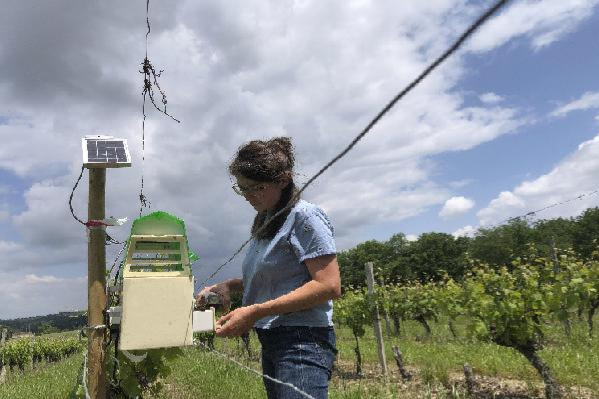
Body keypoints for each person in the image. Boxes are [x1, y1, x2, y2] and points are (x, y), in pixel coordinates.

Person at [196, 137, 341, 399]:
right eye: (242, 189)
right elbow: (278, 277)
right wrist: (229, 285)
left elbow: (328, 285)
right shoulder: (267, 222)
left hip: (301, 341)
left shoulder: (304, 216)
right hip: (273, 338)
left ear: (283, 180)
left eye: (256, 188)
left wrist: (254, 311)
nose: (248, 196)